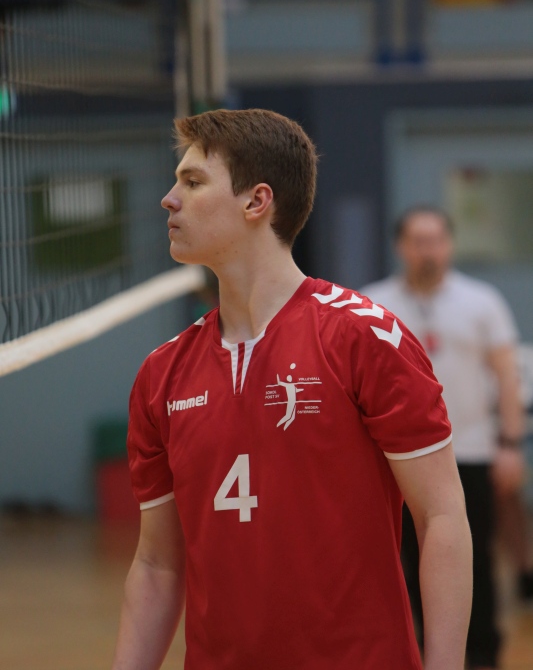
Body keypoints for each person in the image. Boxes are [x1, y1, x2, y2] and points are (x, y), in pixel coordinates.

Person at [112, 110, 472, 670]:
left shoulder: (364, 337)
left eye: (193, 181)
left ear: (257, 201)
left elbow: (441, 518)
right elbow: (159, 564)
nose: (169, 199)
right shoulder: (162, 374)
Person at [362, 205, 526, 670]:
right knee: (407, 561)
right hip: (397, 460)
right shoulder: (372, 304)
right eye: (418, 241)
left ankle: (482, 655)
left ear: (449, 245)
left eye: (435, 240)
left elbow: (507, 377)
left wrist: (510, 445)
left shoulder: (482, 301)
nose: (428, 250)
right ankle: (420, 652)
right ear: (401, 247)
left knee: (473, 557)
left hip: (470, 452)